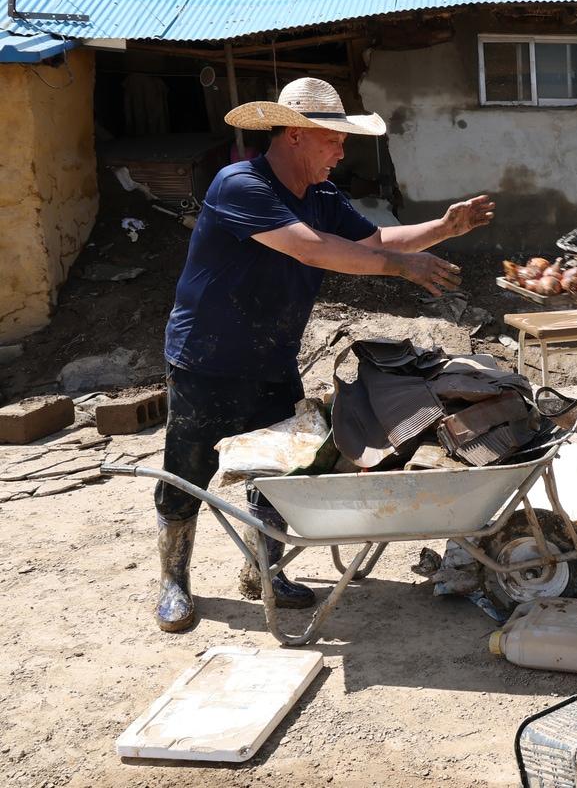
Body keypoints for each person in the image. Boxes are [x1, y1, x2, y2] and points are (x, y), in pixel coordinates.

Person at [154, 77, 495, 633]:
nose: (342, 150)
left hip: (271, 357)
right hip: (207, 357)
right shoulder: (240, 184)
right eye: (332, 139)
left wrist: (443, 227)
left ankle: (263, 570)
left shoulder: (322, 197)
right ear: (294, 135)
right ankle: (173, 579)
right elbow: (311, 248)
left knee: (280, 471)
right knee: (189, 470)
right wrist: (398, 269)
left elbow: (374, 244)